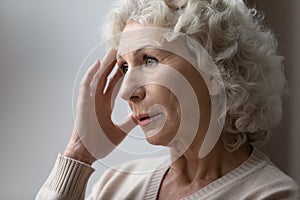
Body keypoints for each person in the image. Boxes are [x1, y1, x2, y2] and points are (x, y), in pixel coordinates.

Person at [36, 0, 300, 199]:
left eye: (149, 60)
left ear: (216, 71)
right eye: (125, 67)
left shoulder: (271, 194)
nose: (127, 91)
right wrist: (80, 153)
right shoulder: (115, 186)